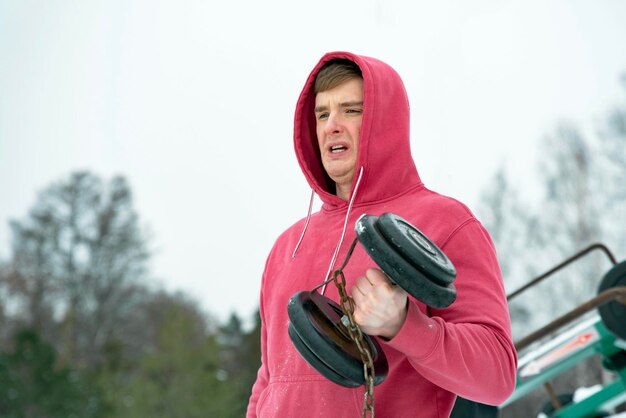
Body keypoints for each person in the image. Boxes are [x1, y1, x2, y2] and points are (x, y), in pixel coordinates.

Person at [247, 51, 517, 418]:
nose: (332, 126)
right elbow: (269, 382)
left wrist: (403, 325)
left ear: (386, 120)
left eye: (351, 110)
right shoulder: (286, 246)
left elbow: (496, 376)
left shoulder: (445, 223)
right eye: (322, 114)